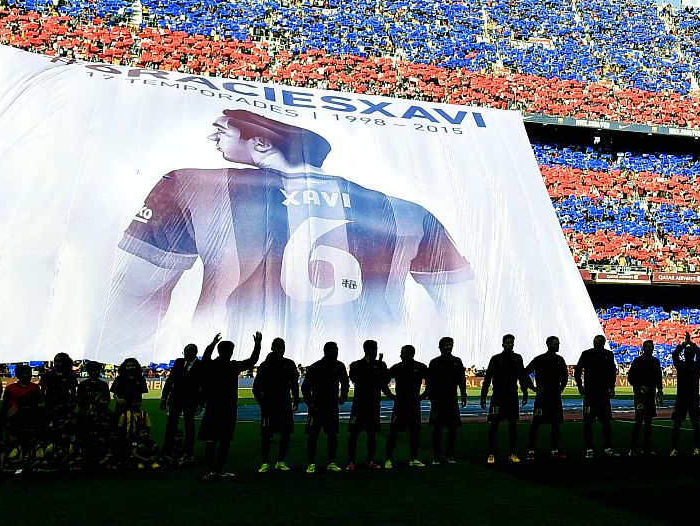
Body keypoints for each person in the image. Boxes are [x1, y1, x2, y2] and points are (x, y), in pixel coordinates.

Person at [106, 108, 472, 360]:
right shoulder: (411, 213)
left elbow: (135, 295)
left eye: (221, 131)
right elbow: (462, 308)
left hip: (233, 366)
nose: (212, 137)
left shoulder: (189, 186)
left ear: (262, 144)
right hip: (370, 368)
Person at [198, 332, 262, 479]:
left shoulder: (211, 365)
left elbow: (206, 357)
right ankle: (219, 470)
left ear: (219, 351)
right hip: (228, 407)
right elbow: (252, 360)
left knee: (211, 439)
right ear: (231, 351)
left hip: (212, 406)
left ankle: (210, 471)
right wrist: (257, 344)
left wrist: (212, 343)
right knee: (225, 439)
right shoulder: (233, 366)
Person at [301, 341, 349, 473]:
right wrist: (310, 402)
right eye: (332, 350)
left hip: (332, 407)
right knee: (313, 435)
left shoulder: (339, 366)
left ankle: (332, 462)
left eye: (336, 349)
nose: (335, 352)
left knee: (332, 435)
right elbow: (305, 387)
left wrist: (343, 397)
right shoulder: (315, 367)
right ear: (325, 351)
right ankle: (311, 463)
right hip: (316, 407)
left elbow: (345, 382)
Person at [252, 337, 300, 472]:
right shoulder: (265, 365)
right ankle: (265, 462)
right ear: (272, 348)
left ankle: (280, 461)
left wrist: (296, 398)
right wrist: (262, 404)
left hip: (284, 403)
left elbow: (294, 383)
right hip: (269, 404)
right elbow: (255, 388)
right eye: (277, 347)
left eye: (282, 347)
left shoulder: (289, 364)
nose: (280, 349)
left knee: (286, 433)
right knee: (266, 434)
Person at [480, 334, 528, 464]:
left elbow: (522, 376)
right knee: (494, 425)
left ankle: (512, 453)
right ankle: (491, 453)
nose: (510, 345)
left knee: (513, 425)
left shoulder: (517, 358)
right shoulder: (496, 359)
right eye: (507, 342)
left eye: (512, 342)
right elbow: (488, 378)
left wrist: (525, 392)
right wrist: (483, 396)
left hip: (512, 396)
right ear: (503, 344)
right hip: (498, 397)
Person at [524, 336, 568, 462]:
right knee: (536, 424)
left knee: (555, 424)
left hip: (554, 397)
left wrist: (561, 388)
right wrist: (533, 387)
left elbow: (565, 376)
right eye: (555, 343)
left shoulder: (560, 359)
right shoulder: (540, 359)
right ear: (548, 344)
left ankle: (555, 450)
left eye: (558, 343)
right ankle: (531, 451)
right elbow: (525, 372)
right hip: (542, 398)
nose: (558, 345)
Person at [346, 339, 388, 471]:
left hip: (373, 405)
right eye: (370, 349)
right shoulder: (356, 365)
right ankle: (351, 462)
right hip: (358, 405)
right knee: (354, 434)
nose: (373, 351)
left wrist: (394, 397)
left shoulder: (381, 365)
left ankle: (371, 460)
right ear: (365, 350)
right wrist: (374, 368)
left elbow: (383, 382)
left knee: (372, 434)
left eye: (374, 348)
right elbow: (357, 380)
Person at [574, 334, 619, 458]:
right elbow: (577, 370)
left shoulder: (609, 355)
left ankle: (607, 448)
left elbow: (612, 372)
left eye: (599, 341)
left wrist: (612, 387)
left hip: (603, 393)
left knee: (606, 422)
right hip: (590, 393)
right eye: (595, 341)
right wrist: (579, 385)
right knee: (588, 422)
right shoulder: (586, 354)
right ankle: (589, 449)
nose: (596, 343)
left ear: (603, 342)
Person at [383, 345, 427, 468]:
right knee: (393, 432)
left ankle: (413, 459)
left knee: (414, 433)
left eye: (403, 353)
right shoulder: (397, 367)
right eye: (401, 352)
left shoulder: (420, 367)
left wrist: (422, 396)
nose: (401, 355)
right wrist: (391, 396)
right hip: (400, 405)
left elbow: (431, 383)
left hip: (413, 405)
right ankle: (388, 459)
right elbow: (384, 382)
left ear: (411, 353)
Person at [160, 343, 205, 465]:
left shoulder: (201, 366)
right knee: (171, 425)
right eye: (184, 352)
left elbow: (204, 386)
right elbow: (170, 381)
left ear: (194, 353)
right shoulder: (179, 362)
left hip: (191, 401)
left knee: (189, 426)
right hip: (175, 399)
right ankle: (166, 451)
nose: (185, 355)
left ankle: (188, 452)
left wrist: (201, 403)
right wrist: (164, 398)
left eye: (187, 353)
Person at [426, 337, 467, 465]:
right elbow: (429, 381)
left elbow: (462, 379)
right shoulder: (434, 362)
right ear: (441, 347)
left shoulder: (457, 361)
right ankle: (436, 456)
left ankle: (448, 455)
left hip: (452, 400)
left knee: (452, 428)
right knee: (437, 429)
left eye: (451, 344)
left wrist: (464, 394)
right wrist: (431, 398)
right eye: (447, 345)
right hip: (438, 400)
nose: (450, 347)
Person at [2, 364, 43, 469]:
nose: (28, 375)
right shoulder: (11, 388)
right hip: (15, 420)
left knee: (30, 441)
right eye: (25, 373)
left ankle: (30, 460)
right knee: (16, 442)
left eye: (29, 373)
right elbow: (5, 405)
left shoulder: (35, 387)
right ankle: (14, 462)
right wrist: (6, 419)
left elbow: (40, 403)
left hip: (31, 419)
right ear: (18, 375)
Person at [627, 340, 663, 456]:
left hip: (651, 395)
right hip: (640, 396)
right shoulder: (638, 361)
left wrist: (660, 389)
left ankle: (646, 448)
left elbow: (658, 376)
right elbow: (631, 377)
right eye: (647, 347)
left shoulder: (655, 361)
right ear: (643, 348)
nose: (649, 348)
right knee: (638, 421)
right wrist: (639, 386)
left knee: (648, 423)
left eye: (651, 346)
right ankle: (632, 449)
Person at [670, 333, 700, 456]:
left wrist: (685, 344)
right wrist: (689, 343)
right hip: (689, 399)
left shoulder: (682, 365)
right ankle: (696, 448)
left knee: (681, 425)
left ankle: (674, 449)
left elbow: (674, 355)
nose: (688, 355)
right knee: (692, 424)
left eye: (689, 353)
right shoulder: (695, 365)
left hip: (684, 399)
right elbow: (699, 354)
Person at [76, 361, 111, 468]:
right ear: (88, 371)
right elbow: (79, 399)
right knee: (85, 436)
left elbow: (107, 399)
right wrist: (88, 408)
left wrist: (99, 407)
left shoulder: (103, 384)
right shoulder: (83, 384)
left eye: (96, 370)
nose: (94, 372)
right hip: (86, 415)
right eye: (92, 370)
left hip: (101, 415)